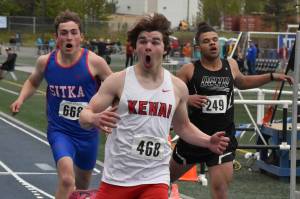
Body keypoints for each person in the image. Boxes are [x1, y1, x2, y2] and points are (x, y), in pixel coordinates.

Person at [79, 13, 230, 199]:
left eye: (155, 42)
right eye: (142, 41)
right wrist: (94, 118)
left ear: (165, 48)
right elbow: (84, 115)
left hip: (155, 177)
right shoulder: (117, 81)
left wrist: (208, 141)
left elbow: (183, 127)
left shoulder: (177, 87)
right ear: (135, 47)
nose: (148, 46)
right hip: (118, 178)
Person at [169, 22, 294, 199]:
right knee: (165, 179)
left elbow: (242, 82)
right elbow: (169, 93)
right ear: (198, 47)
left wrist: (271, 76)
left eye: (215, 40)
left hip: (222, 139)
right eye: (206, 41)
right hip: (194, 138)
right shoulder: (189, 70)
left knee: (220, 192)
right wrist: (188, 99)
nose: (212, 43)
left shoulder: (231, 65)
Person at [10, 10, 113, 199]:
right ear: (56, 37)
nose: (69, 37)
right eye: (64, 33)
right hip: (60, 131)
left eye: (74, 32)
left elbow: (116, 90)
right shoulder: (45, 62)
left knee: (81, 188)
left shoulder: (95, 62)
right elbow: (33, 82)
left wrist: (109, 114)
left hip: (88, 133)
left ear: (81, 36)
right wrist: (21, 98)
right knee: (67, 180)